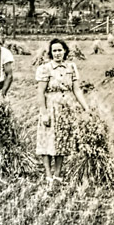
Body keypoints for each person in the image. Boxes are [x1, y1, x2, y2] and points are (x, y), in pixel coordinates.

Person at [36, 38, 89, 185]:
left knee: (62, 142)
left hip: (65, 108)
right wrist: (44, 112)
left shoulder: (71, 67)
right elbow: (40, 92)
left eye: (60, 50)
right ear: (51, 53)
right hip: (50, 106)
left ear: (65, 51)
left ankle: (58, 175)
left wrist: (86, 108)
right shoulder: (45, 68)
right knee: (46, 140)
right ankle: (48, 175)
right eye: (54, 51)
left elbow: (76, 89)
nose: (57, 53)